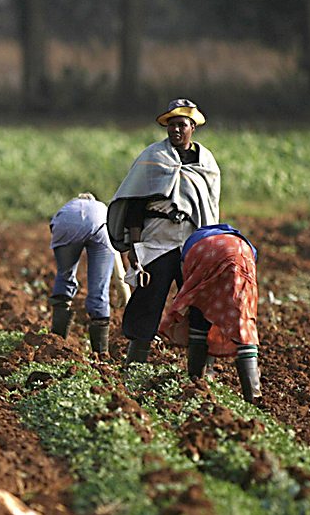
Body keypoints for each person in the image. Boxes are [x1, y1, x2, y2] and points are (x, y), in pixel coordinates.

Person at [106, 98, 221, 363]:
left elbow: (210, 207)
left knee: (199, 305)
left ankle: (200, 373)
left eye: (181, 124)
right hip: (157, 242)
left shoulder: (206, 164)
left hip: (193, 245)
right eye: (171, 125)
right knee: (147, 302)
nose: (175, 130)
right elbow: (135, 203)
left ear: (193, 127)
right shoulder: (153, 157)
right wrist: (135, 246)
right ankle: (135, 365)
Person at [158, 224, 262, 403]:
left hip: (203, 255)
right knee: (243, 321)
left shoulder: (194, 242)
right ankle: (253, 395)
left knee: (199, 311)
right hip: (243, 255)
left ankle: (196, 381)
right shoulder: (239, 239)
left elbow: (192, 292)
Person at [47, 193, 112, 353]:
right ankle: (101, 353)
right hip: (99, 227)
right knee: (99, 288)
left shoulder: (69, 206)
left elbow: (53, 226)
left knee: (65, 275)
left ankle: (57, 342)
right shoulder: (101, 207)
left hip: (65, 226)